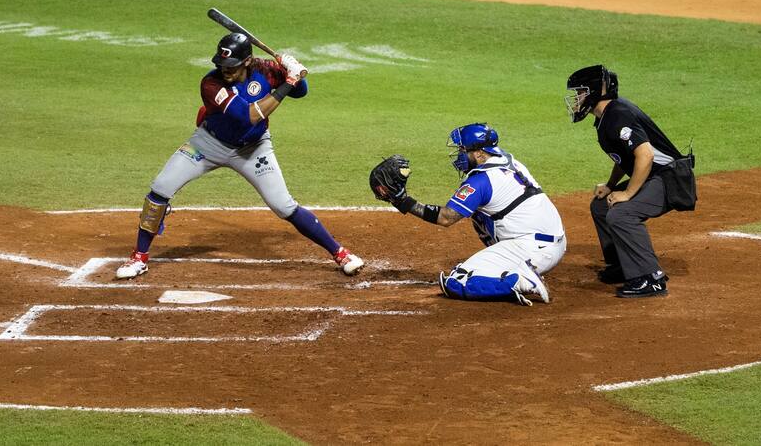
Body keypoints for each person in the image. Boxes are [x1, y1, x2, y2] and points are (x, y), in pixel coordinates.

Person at [115, 32, 364, 280]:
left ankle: (341, 254)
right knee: (160, 188)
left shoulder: (266, 70)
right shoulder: (211, 84)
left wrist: (292, 69)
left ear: (246, 61)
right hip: (207, 144)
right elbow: (249, 116)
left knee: (283, 205)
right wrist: (288, 82)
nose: (225, 70)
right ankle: (139, 258)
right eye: (221, 65)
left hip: (253, 148)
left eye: (231, 66)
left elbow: (300, 92)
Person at [372, 124, 564, 306]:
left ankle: (521, 280)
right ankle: (515, 265)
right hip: (551, 242)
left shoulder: (481, 181)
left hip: (532, 248)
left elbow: (446, 217)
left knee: (457, 281)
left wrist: (403, 201)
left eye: (463, 150)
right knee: (480, 217)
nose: (459, 154)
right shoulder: (506, 159)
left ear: (480, 153)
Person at [568, 64, 687, 298]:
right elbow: (624, 157)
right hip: (655, 175)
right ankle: (624, 265)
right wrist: (611, 186)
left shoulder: (618, 114)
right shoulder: (607, 116)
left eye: (580, 93)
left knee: (622, 213)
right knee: (601, 206)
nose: (576, 99)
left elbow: (645, 155)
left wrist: (628, 193)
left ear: (593, 92)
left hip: (670, 178)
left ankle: (651, 278)